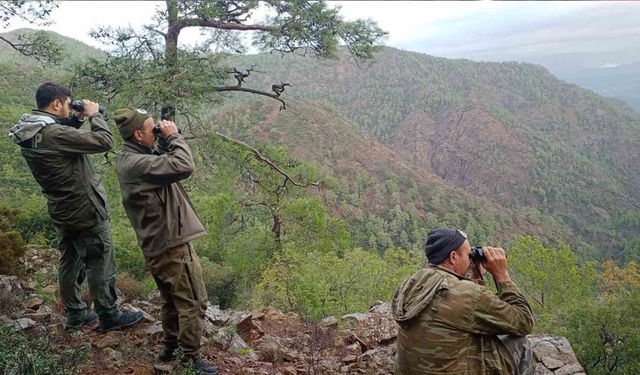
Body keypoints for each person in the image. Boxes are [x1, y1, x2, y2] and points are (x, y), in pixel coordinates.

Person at [8, 81, 143, 331]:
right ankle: (109, 315)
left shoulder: (30, 130)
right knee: (100, 258)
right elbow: (104, 142)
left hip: (61, 208)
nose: (70, 107)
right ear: (56, 103)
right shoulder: (55, 134)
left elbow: (58, 138)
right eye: (68, 104)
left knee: (70, 260)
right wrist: (93, 116)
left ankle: (76, 313)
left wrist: (76, 120)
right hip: (85, 208)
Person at [113, 108, 217, 374]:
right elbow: (183, 165)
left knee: (171, 299)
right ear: (138, 135)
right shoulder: (138, 164)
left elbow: (157, 161)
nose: (156, 131)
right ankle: (190, 359)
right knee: (193, 302)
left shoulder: (131, 157)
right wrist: (174, 137)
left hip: (157, 244)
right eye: (152, 129)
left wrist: (160, 139)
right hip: (172, 245)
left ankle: (171, 345)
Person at [392, 227, 535, 375]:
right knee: (520, 344)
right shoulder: (467, 294)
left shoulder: (413, 282)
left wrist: (475, 275)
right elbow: (523, 321)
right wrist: (502, 276)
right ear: (453, 257)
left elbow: (469, 313)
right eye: (468, 255)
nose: (471, 259)